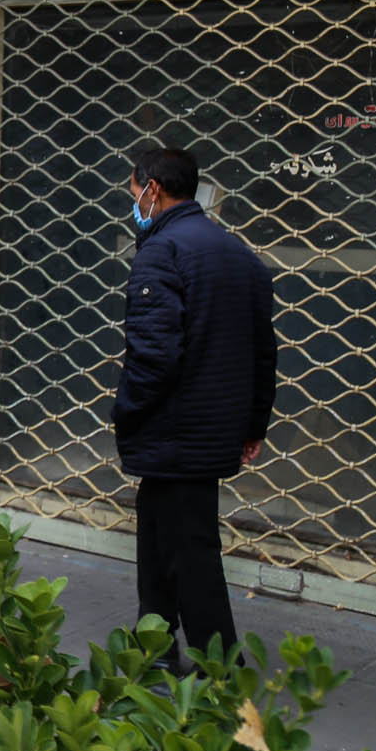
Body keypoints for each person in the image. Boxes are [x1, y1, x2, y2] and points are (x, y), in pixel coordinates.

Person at [113, 144, 277, 672]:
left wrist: (126, 412)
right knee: (159, 535)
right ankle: (155, 649)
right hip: (210, 428)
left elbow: (154, 354)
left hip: (175, 429)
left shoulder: (162, 252)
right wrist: (253, 423)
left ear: (152, 189)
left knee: (190, 549)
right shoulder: (238, 254)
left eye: (133, 191)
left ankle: (220, 671)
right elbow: (264, 350)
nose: (133, 202)